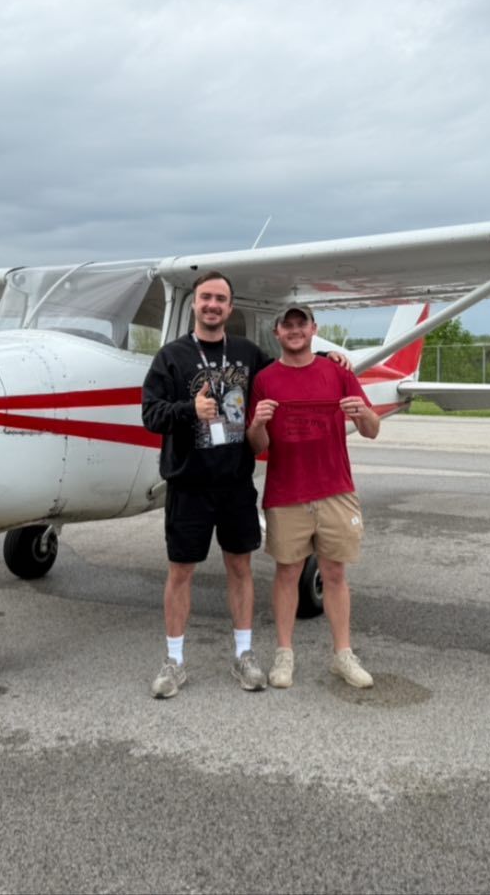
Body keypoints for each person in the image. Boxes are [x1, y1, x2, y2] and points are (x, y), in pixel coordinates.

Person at [140, 273, 350, 699]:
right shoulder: (170, 357)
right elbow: (151, 415)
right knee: (181, 571)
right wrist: (189, 409)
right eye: (205, 298)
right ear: (195, 305)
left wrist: (333, 361)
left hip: (236, 483)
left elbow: (294, 368)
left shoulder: (249, 353)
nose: (212, 305)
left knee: (241, 568)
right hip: (189, 484)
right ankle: (174, 661)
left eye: (220, 299)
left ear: (230, 308)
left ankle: (244, 654)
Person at [246, 304, 380, 690]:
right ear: (276, 333)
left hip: (335, 489)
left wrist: (362, 413)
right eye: (286, 325)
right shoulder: (265, 380)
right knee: (287, 572)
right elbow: (257, 446)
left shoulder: (338, 372)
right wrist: (257, 423)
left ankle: (343, 655)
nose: (294, 330)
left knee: (335, 573)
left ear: (313, 330)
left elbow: (371, 430)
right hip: (286, 492)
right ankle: (284, 655)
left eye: (300, 324)